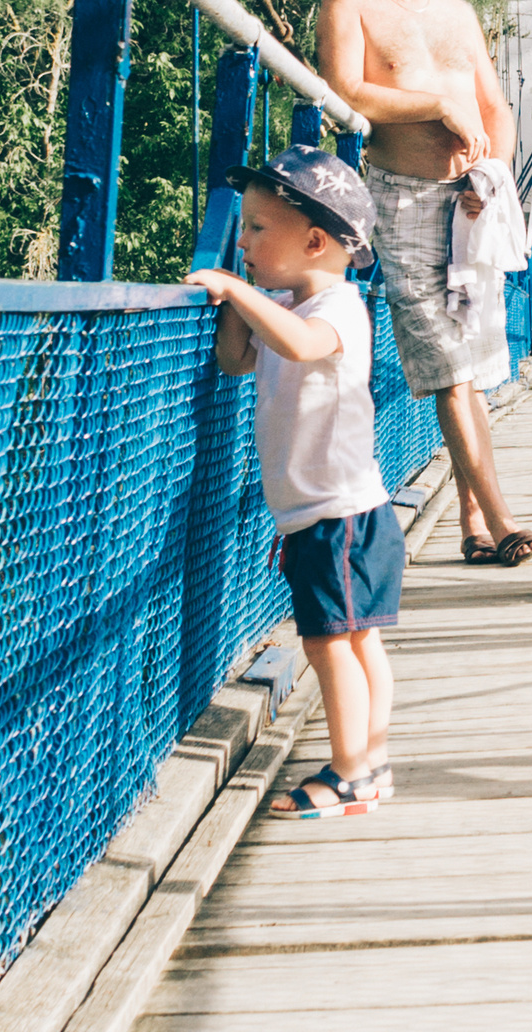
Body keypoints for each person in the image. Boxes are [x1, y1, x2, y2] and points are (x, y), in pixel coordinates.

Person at [318, 0, 532, 569]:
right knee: (449, 365)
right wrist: (436, 107)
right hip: (403, 201)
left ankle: (472, 522)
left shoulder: (458, 13)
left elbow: (495, 108)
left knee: (471, 361)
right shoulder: (350, 3)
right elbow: (344, 91)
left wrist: (490, 173)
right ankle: (502, 520)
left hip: (471, 203)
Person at [189, 147, 399, 818]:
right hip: (331, 513)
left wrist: (240, 292)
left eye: (256, 228)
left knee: (329, 642)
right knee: (356, 639)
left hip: (339, 515)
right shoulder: (284, 303)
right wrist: (240, 299)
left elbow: (303, 345)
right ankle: (370, 765)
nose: (243, 241)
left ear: (313, 242)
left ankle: (351, 772)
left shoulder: (340, 307)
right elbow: (234, 360)